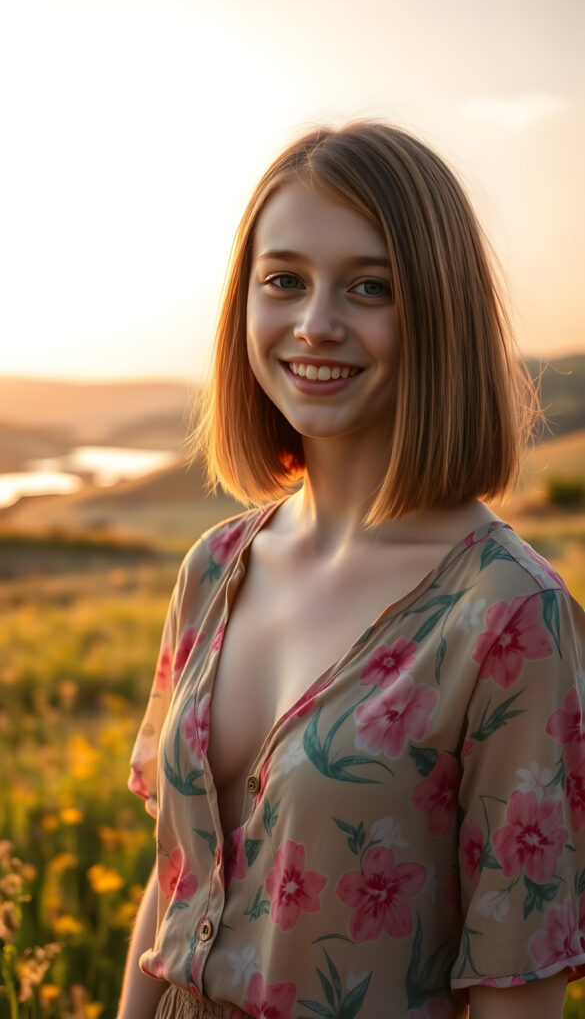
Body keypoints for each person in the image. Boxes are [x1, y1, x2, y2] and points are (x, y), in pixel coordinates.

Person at [117, 122, 585, 1019]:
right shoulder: (215, 568)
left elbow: (512, 992)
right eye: (284, 280)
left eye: (370, 286)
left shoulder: (507, 613)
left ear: (438, 313)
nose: (315, 323)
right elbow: (176, 881)